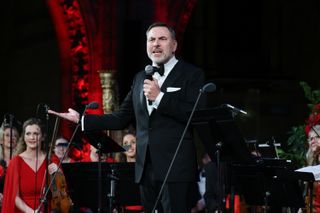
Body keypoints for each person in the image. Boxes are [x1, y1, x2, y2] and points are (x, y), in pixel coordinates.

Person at [49, 21, 206, 212]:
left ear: (174, 45)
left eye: (162, 39)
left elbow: (196, 114)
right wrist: (83, 119)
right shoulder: (140, 77)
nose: (156, 44)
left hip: (176, 168)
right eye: (151, 39)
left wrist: (160, 97)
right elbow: (121, 117)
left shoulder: (191, 74)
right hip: (145, 167)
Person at [1, 118, 61, 213]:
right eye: (28, 134)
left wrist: (58, 174)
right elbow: (14, 197)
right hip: (24, 210)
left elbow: (60, 191)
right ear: (24, 137)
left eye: (36, 134)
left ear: (43, 137)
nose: (32, 138)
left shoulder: (52, 159)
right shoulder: (16, 162)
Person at [0, 122, 21, 209]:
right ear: (1, 139)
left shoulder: (21, 160)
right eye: (7, 135)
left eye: (14, 136)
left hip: (18, 203)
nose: (11, 138)